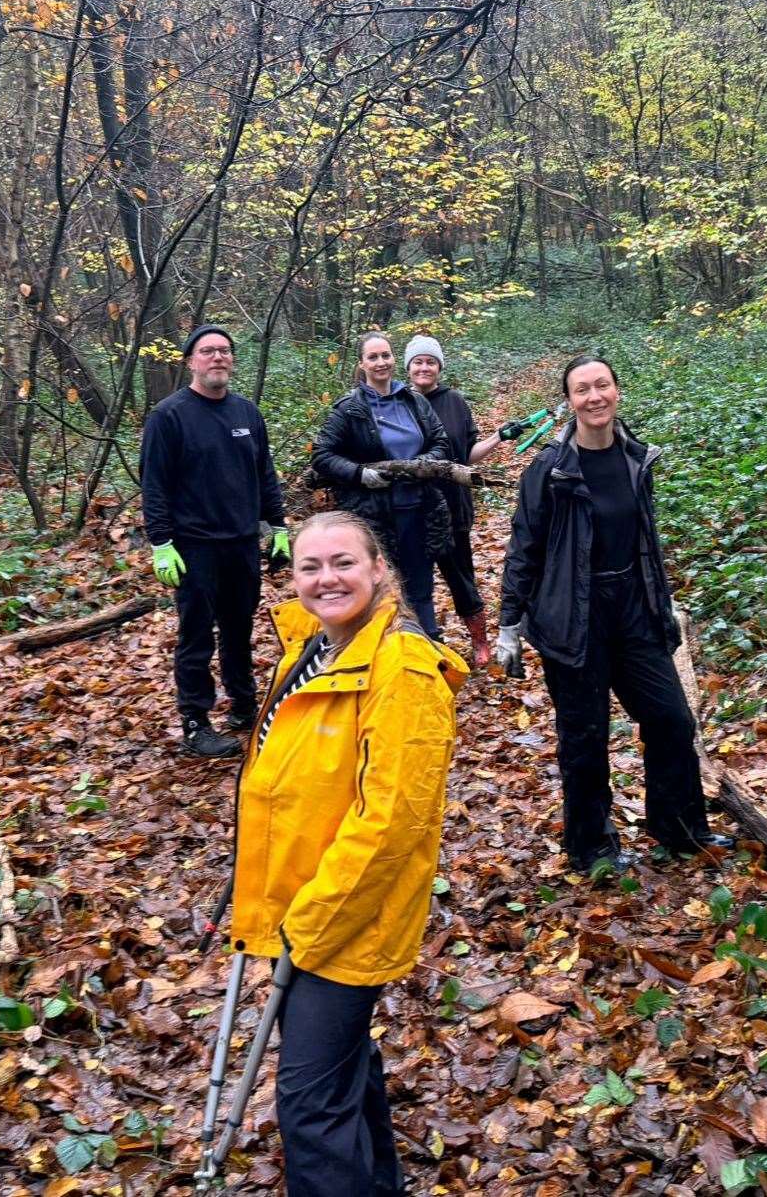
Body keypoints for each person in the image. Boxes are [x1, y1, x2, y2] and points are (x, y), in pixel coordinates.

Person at [226, 511, 467, 1196]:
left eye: (342, 562)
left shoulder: (403, 669)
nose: (326, 577)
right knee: (342, 1074)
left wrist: (310, 920)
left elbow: (392, 821)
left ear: (378, 569)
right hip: (307, 903)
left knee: (310, 1105)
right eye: (310, 566)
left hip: (342, 917)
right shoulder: (311, 649)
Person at [494, 355, 731, 874]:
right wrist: (509, 622)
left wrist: (659, 596)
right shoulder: (549, 469)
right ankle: (592, 849)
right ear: (570, 401)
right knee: (585, 734)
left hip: (633, 610)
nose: (594, 397)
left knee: (671, 718)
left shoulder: (635, 458)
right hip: (572, 618)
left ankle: (681, 828)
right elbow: (524, 546)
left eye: (602, 385)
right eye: (582, 389)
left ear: (617, 392)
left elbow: (644, 538)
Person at [141, 325, 290, 758]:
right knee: (196, 635)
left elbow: (264, 474)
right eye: (208, 351)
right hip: (193, 547)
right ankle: (195, 722)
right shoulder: (169, 416)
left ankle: (243, 705)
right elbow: (155, 485)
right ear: (191, 361)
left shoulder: (247, 413)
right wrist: (161, 542)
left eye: (225, 351)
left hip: (241, 542)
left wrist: (277, 526)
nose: (218, 358)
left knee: (239, 628)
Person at [311, 332, 453, 637]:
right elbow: (322, 455)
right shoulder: (349, 408)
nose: (381, 362)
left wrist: (423, 463)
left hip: (420, 509)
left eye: (386, 356)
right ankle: (386, 649)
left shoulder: (413, 401)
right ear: (362, 364)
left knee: (421, 585)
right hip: (374, 515)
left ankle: (426, 642)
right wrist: (359, 474)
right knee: (383, 586)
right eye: (373, 357)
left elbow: (441, 441)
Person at [402, 334, 507, 668]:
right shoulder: (397, 402)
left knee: (461, 576)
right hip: (410, 507)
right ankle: (423, 643)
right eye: (418, 361)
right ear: (408, 367)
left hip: (453, 507)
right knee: (411, 581)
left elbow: (468, 456)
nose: (424, 367)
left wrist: (498, 437)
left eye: (430, 361)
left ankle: (479, 642)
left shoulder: (455, 402)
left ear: (439, 367)